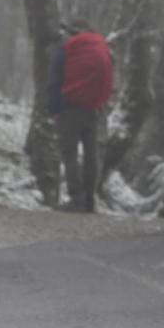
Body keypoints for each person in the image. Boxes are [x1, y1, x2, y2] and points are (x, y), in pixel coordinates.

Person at [47, 19, 113, 212]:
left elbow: (54, 81)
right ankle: (90, 199)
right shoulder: (99, 46)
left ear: (70, 32)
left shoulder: (65, 49)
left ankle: (77, 199)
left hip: (69, 108)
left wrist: (54, 110)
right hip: (93, 108)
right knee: (91, 154)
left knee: (70, 154)